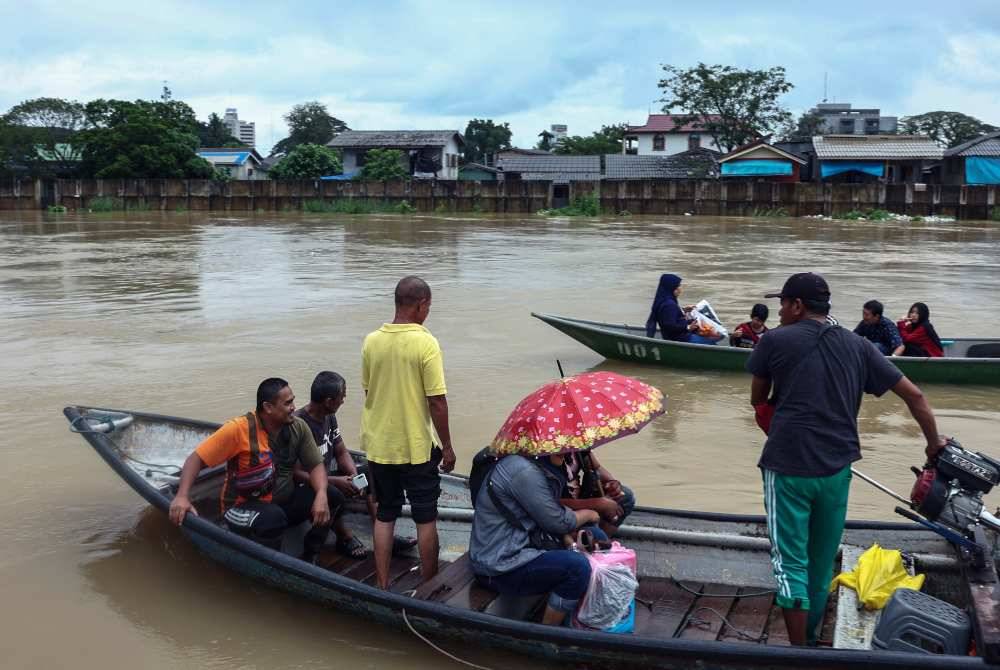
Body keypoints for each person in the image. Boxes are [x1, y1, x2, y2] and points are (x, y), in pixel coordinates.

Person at [748, 273, 946, 646]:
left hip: (787, 469)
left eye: (783, 303)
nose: (779, 310)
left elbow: (758, 399)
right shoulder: (858, 345)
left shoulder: (773, 340)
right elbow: (915, 397)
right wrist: (933, 444)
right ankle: (808, 637)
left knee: (790, 562)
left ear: (797, 306)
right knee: (821, 564)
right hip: (838, 469)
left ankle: (797, 651)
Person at [168, 378, 344, 563]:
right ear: (268, 407)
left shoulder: (298, 427)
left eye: (293, 401)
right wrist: (182, 496)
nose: (294, 407)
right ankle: (269, 567)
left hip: (281, 505)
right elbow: (195, 460)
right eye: (288, 403)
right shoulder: (238, 430)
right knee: (273, 518)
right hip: (241, 508)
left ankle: (310, 555)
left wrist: (322, 494)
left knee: (334, 496)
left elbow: (315, 465)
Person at [361, 276, 457, 590]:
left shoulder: (371, 341)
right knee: (425, 517)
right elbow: (437, 402)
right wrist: (448, 446)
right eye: (428, 306)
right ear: (420, 305)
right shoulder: (425, 342)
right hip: (416, 446)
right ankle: (429, 585)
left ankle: (382, 584)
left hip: (379, 445)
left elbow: (369, 392)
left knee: (385, 514)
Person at [295, 370, 419, 559]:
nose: (343, 401)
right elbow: (295, 473)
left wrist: (354, 477)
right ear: (329, 401)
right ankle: (344, 537)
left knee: (371, 475)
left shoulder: (329, 417)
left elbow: (341, 451)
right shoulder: (299, 425)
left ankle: (384, 536)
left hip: (330, 478)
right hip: (308, 486)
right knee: (334, 493)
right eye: (341, 397)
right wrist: (336, 481)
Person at [470, 452, 603, 626]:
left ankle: (576, 612)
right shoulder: (523, 471)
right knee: (577, 567)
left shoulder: (536, 465)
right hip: (501, 564)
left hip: (525, 543)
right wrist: (590, 513)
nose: (566, 454)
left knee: (596, 537)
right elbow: (559, 522)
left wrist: (568, 539)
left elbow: (544, 515)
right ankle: (548, 633)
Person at [559, 449, 635, 537]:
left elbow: (597, 468)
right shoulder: (544, 457)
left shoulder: (577, 444)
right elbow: (547, 501)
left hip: (578, 497)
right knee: (594, 533)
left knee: (625, 496)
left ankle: (601, 540)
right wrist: (597, 503)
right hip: (558, 509)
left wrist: (613, 484)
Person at [644, 273, 722, 344]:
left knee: (715, 335)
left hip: (675, 335)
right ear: (672, 288)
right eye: (678, 286)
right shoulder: (669, 304)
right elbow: (670, 325)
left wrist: (683, 310)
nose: (680, 289)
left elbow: (669, 316)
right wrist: (688, 327)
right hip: (680, 338)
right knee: (715, 339)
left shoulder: (664, 300)